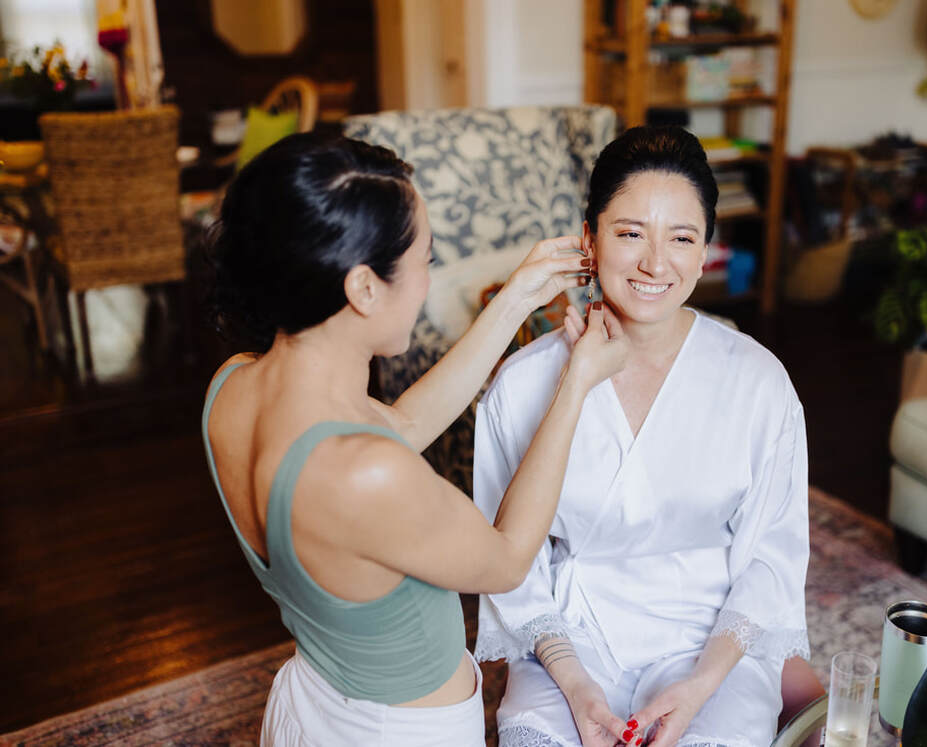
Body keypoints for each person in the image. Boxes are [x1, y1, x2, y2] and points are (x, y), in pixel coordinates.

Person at [201, 133, 628, 746]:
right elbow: (506, 559)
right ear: (364, 288)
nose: (428, 279)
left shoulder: (236, 384)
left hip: (313, 702)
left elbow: (397, 426)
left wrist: (512, 303)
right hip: (395, 731)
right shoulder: (362, 474)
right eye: (425, 258)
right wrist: (577, 382)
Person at [474, 126, 817, 747]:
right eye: (630, 233)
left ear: (706, 247)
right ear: (590, 239)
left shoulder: (758, 382)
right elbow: (507, 564)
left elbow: (773, 555)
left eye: (681, 238)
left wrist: (701, 683)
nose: (656, 264)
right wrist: (576, 686)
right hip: (567, 646)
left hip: (707, 650)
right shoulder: (522, 387)